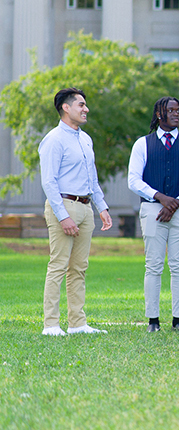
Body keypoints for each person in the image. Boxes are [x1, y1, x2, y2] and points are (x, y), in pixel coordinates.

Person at [38, 88, 113, 336]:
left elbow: (92, 177)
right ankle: (51, 325)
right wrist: (63, 216)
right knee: (58, 265)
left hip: (85, 207)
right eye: (81, 104)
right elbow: (49, 182)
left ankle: (78, 323)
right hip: (64, 205)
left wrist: (101, 207)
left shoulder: (85, 139)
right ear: (66, 108)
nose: (86, 109)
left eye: (85, 105)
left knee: (79, 268)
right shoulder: (53, 139)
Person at [126, 96, 179, 333]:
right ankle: (153, 321)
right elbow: (133, 180)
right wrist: (160, 197)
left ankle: (178, 320)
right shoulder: (142, 144)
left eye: (178, 110)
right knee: (153, 266)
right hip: (151, 209)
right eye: (170, 110)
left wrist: (176, 202)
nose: (176, 114)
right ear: (159, 114)